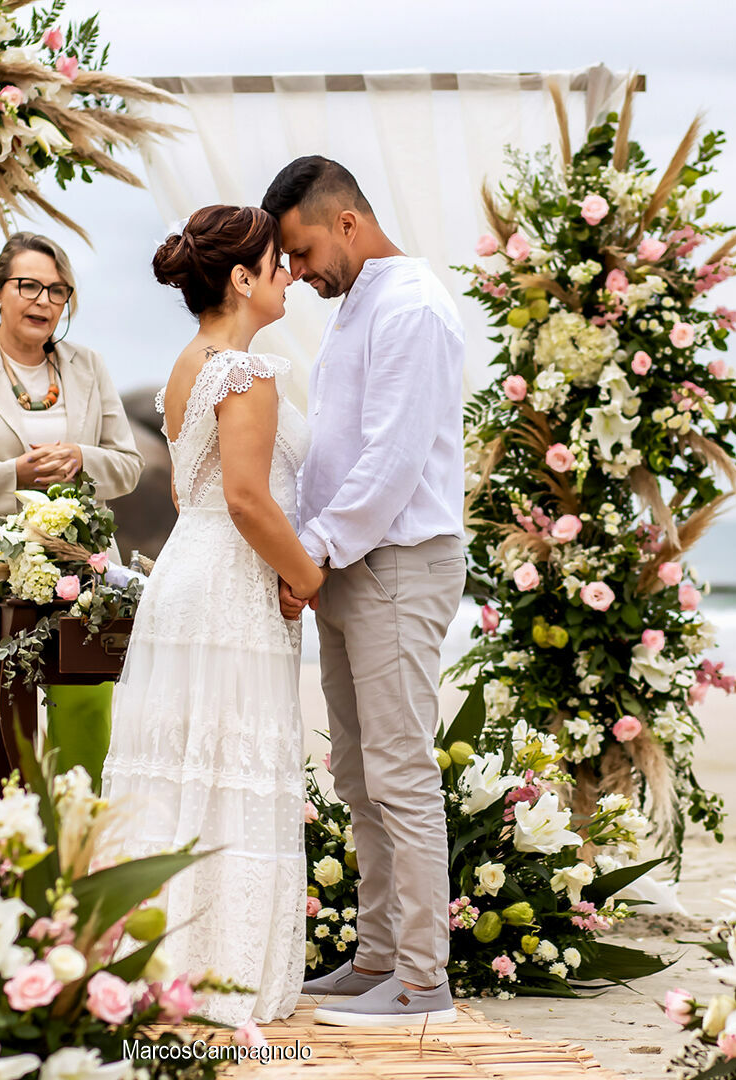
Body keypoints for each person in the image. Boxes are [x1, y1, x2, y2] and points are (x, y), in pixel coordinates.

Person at [100, 205, 316, 1026]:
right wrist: (306, 577)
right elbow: (247, 499)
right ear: (241, 279)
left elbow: (190, 497)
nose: (289, 274)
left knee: (179, 769)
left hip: (186, 578)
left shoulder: (189, 365)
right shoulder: (246, 373)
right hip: (229, 588)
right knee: (226, 770)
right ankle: (219, 977)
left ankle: (157, 961)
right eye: (276, 263)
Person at [263, 156, 466, 1027]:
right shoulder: (358, 306)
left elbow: (390, 461)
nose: (298, 273)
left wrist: (308, 555)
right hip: (350, 566)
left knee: (399, 771)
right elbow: (340, 451)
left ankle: (424, 983)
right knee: (355, 772)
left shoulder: (412, 305)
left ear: (344, 222)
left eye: (302, 250)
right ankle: (377, 958)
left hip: (395, 561)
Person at [0, 232, 143, 812]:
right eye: (29, 286)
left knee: (88, 721)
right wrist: (13, 473)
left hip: (80, 578)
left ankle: (78, 866)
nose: (44, 300)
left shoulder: (88, 368)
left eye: (58, 290)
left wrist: (83, 459)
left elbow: (130, 467)